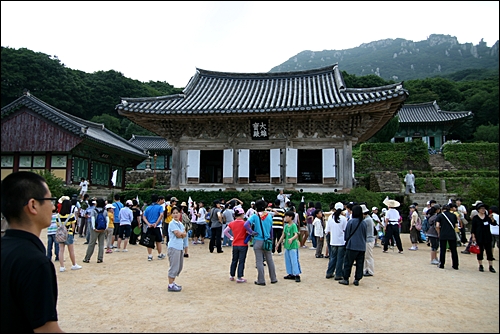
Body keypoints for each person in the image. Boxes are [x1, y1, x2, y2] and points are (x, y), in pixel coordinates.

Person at [1, 171, 65, 332]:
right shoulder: (35, 262)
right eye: (50, 200)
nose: (52, 206)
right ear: (33, 205)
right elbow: (46, 330)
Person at [245, 199, 278, 286]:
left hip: (258, 240)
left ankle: (261, 280)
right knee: (270, 260)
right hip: (267, 240)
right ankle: (273, 278)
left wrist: (251, 232)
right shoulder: (269, 215)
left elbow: (246, 224)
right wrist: (271, 238)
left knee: (259, 261)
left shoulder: (255, 216)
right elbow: (271, 228)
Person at [339, 205, 367, 286]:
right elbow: (365, 234)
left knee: (348, 262)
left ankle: (346, 278)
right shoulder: (364, 223)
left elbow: (347, 234)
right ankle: (357, 279)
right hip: (361, 246)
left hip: (352, 245)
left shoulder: (351, 222)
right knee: (359, 263)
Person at [223, 207, 250, 283]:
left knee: (234, 260)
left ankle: (232, 275)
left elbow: (225, 232)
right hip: (243, 244)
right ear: (242, 215)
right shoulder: (245, 223)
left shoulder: (232, 223)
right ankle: (239, 276)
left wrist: (231, 237)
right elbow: (249, 232)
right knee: (241, 261)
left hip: (235, 244)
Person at [57, 199, 83, 272]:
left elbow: (58, 225)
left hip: (60, 234)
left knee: (61, 250)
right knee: (71, 250)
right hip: (69, 233)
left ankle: (62, 266)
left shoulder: (58, 216)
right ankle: (74, 264)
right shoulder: (71, 216)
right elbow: (73, 226)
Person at [276, 210, 302, 282]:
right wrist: (278, 243)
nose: (285, 218)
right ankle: (290, 273)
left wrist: (291, 239)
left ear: (291, 217)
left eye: (287, 216)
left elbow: (296, 234)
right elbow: (283, 235)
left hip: (293, 246)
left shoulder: (293, 225)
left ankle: (297, 274)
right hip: (287, 246)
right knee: (288, 260)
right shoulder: (286, 226)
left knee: (294, 260)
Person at [471, 203, 496, 273]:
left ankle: (491, 266)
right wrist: (473, 236)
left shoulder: (487, 217)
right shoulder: (475, 218)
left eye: (484, 209)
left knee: (489, 251)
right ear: (478, 210)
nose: (483, 210)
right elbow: (473, 229)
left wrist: (491, 218)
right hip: (479, 236)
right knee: (480, 251)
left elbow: (494, 223)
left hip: (487, 236)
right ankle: (480, 265)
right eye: (481, 209)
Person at [325, 202, 348, 280]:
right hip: (341, 241)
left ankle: (329, 272)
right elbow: (345, 230)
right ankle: (338, 274)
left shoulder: (330, 218)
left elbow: (327, 230)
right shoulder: (344, 219)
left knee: (333, 257)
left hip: (333, 240)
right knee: (340, 258)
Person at [167, 206, 187, 292]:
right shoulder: (172, 223)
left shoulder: (180, 223)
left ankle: (173, 282)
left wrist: (182, 234)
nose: (175, 215)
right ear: (171, 215)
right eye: (174, 213)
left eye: (177, 213)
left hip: (180, 246)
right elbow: (178, 234)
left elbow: (184, 234)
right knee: (174, 266)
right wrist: (182, 234)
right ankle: (170, 284)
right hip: (173, 246)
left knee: (179, 266)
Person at [83, 198, 108, 263]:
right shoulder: (105, 211)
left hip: (95, 229)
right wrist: (106, 228)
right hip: (102, 228)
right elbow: (107, 219)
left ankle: (87, 258)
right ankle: (100, 258)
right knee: (101, 244)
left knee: (92, 243)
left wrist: (94, 228)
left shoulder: (94, 211)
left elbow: (93, 219)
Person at [435, 204, 459, 270]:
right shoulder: (453, 215)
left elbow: (437, 226)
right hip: (452, 234)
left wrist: (439, 233)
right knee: (454, 250)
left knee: (443, 250)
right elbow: (456, 225)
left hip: (443, 234)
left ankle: (442, 264)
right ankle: (455, 265)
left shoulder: (440, 216)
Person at [142, 194, 166, 261]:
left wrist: (148, 223)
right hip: (157, 226)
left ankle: (150, 255)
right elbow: (161, 215)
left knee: (149, 241)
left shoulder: (148, 208)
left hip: (149, 227)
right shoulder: (159, 207)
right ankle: (159, 254)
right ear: (157, 200)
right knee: (158, 241)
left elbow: (144, 217)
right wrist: (156, 223)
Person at [361, 204, 376, 277]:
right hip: (368, 240)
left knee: (368, 256)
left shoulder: (367, 220)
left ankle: (370, 271)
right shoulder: (368, 219)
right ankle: (366, 269)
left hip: (368, 240)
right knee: (366, 256)